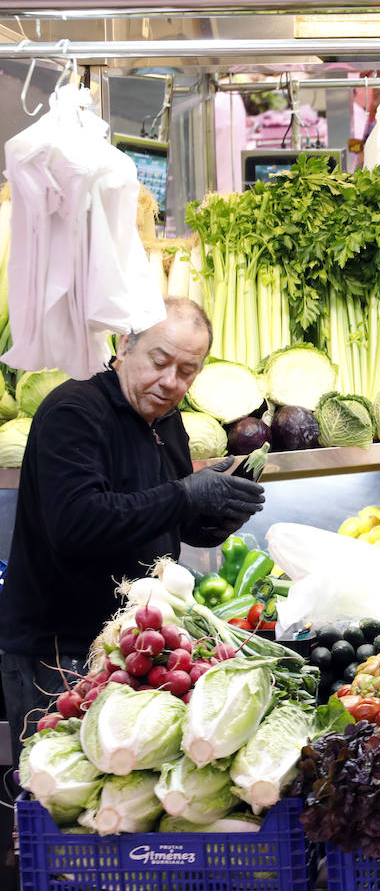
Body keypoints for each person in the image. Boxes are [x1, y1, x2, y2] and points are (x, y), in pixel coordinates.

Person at [0, 298, 265, 762]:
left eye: (187, 371)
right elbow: (78, 523)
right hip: (61, 653)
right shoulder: (73, 412)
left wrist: (213, 520)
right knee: (61, 794)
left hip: (138, 646)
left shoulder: (166, 419)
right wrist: (186, 495)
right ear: (125, 344)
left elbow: (162, 517)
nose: (170, 382)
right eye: (159, 362)